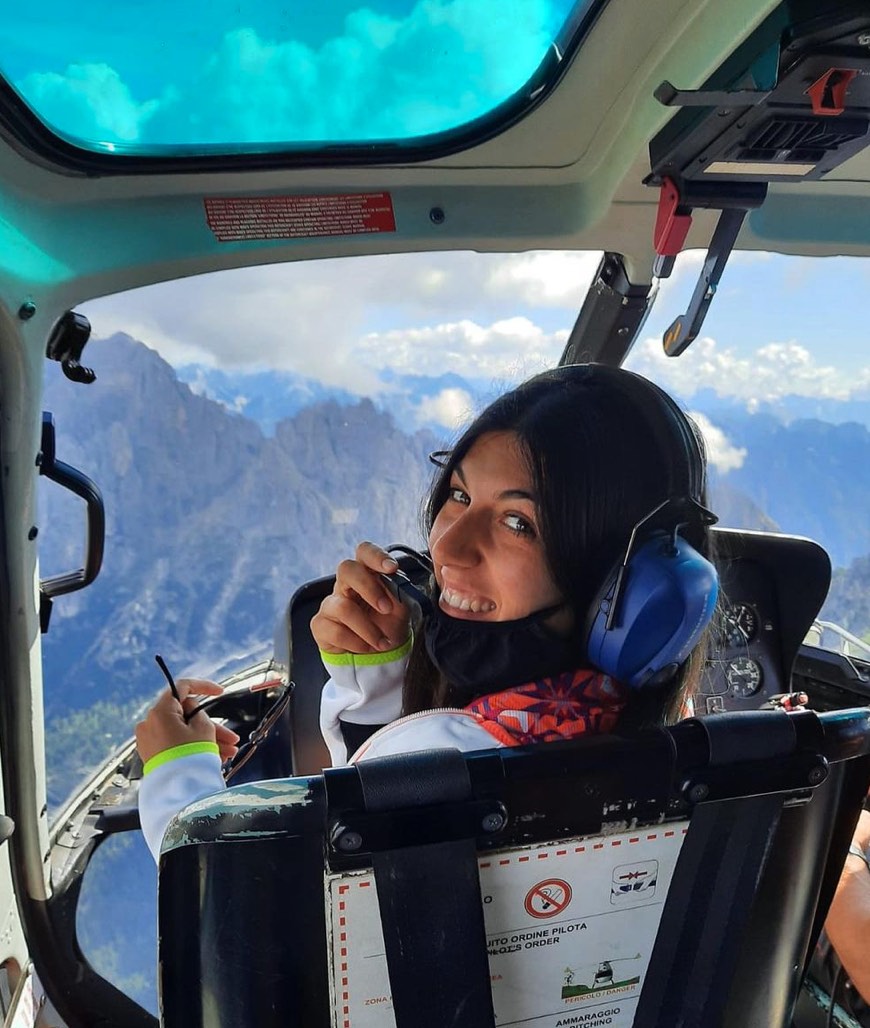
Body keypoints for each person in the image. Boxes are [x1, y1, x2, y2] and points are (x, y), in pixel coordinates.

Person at [136, 363, 719, 861]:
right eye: (460, 495)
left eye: (518, 523)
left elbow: (231, 889)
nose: (448, 548)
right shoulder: (680, 752)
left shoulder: (456, 764)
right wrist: (385, 682)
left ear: (629, 585)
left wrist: (175, 768)